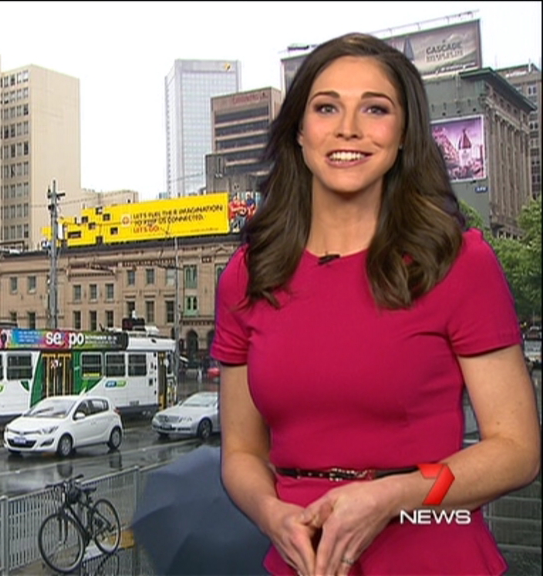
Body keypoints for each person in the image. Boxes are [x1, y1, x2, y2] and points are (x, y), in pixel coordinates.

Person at [211, 33, 540, 576]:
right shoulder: (249, 275)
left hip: (434, 555)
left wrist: (393, 497)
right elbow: (242, 453)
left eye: (375, 109)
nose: (348, 128)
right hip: (302, 562)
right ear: (299, 131)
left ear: (405, 133)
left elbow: (517, 449)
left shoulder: (458, 261)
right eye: (326, 107)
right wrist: (272, 515)